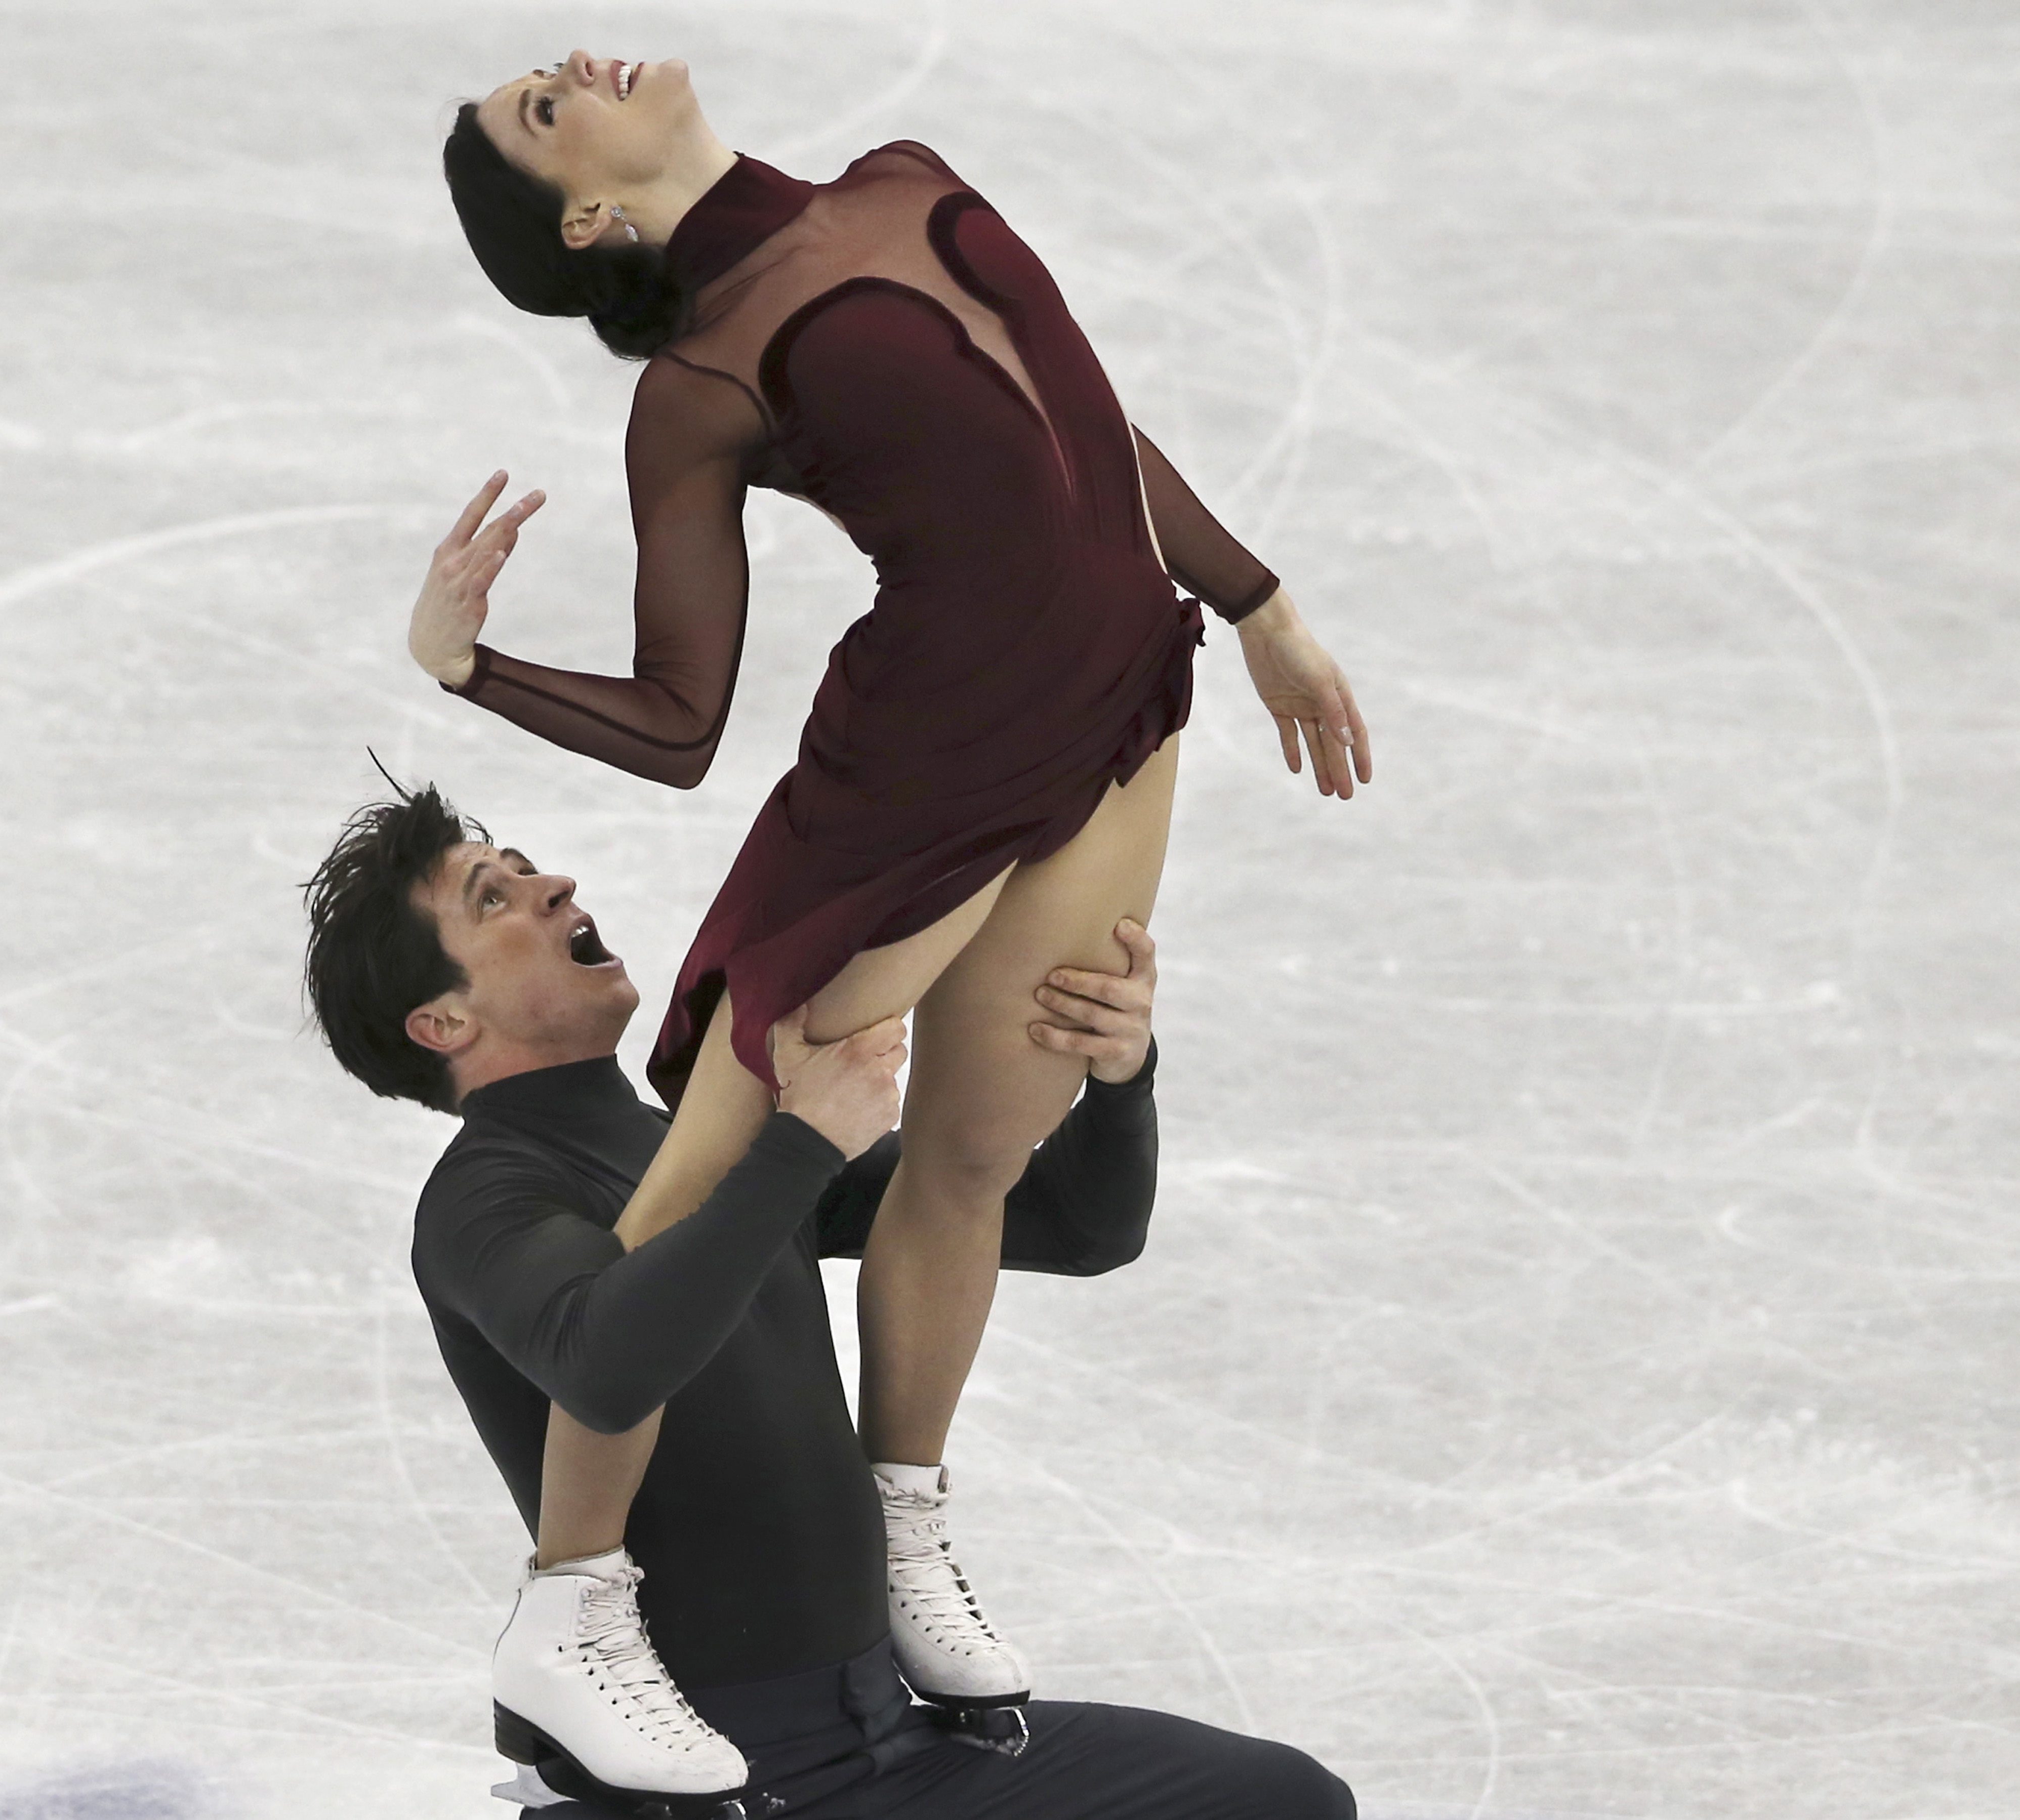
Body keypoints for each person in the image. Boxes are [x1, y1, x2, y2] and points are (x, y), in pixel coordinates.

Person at [415, 47, 1373, 1807]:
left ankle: (904, 1520)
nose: (568, 67)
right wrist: (468, 668)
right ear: (595, 214)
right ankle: (574, 1605)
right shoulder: (701, 379)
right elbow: (682, 716)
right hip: (918, 759)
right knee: (711, 1165)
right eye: (544, 115)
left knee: (980, 1146)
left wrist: (1257, 603)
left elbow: (1091, 430)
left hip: (1113, 715)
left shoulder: (891, 176)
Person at [302, 782, 1358, 1820]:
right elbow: (605, 1361)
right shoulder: (485, 1197)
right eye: (493, 898)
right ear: (441, 1021)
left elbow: (1079, 1225)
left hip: (884, 1739)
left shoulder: (696, 1141)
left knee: (1283, 1801)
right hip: (698, 1780)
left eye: (528, 870)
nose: (552, 885)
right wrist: (799, 1147)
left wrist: (1120, 1074)